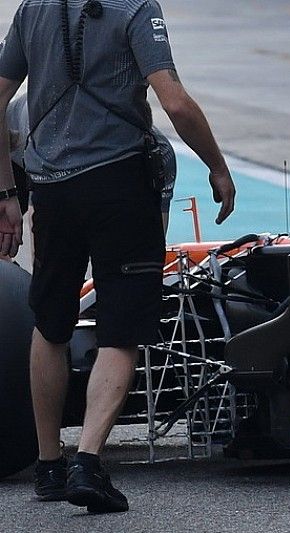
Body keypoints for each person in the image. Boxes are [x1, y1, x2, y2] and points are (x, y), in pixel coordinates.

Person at [0, 0, 236, 514]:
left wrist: (6, 195)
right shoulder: (135, 9)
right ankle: (87, 461)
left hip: (51, 190)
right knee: (121, 328)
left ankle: (48, 466)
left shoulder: (32, 9)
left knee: (51, 321)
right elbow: (173, 103)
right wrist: (217, 166)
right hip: (119, 185)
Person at [6, 94, 178, 233]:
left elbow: (153, 243)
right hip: (17, 146)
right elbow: (42, 234)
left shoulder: (161, 155)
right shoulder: (58, 142)